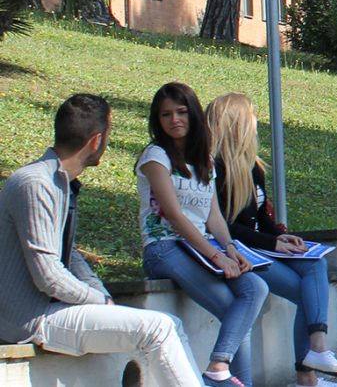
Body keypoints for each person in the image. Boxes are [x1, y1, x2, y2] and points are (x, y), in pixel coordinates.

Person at [0, 94, 202, 387]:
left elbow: (70, 257)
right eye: (109, 134)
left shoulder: (59, 182)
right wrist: (99, 301)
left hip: (56, 310)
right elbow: (49, 276)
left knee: (169, 324)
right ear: (96, 141)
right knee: (158, 328)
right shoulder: (35, 184)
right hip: (31, 319)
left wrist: (102, 295)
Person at [208, 93, 337, 387]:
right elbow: (224, 226)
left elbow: (263, 219)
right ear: (236, 124)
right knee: (304, 292)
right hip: (238, 251)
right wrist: (273, 243)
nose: (256, 122)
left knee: (314, 265)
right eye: (251, 117)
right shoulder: (216, 169)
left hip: (261, 247)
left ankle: (318, 349)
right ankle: (307, 374)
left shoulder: (253, 166)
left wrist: (281, 235)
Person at [139, 82, 268, 387]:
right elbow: (172, 214)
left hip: (200, 247)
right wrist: (217, 257)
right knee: (232, 311)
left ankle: (219, 369)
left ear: (194, 114)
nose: (175, 120)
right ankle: (221, 372)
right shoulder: (156, 156)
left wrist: (230, 248)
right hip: (165, 247)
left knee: (255, 289)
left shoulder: (204, 161)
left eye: (181, 112)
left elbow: (213, 216)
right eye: (166, 115)